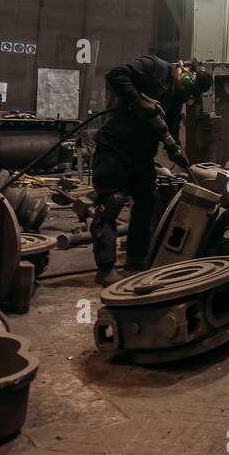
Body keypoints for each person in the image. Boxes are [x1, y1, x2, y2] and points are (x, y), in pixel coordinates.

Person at [89, 56, 212, 284]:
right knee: (112, 202)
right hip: (115, 148)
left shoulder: (177, 98)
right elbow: (116, 74)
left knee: (147, 200)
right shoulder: (154, 67)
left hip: (142, 155)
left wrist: (174, 148)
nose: (187, 94)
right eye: (190, 87)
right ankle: (105, 268)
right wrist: (137, 101)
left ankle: (136, 260)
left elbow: (171, 127)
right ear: (186, 69)